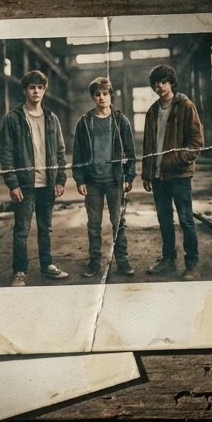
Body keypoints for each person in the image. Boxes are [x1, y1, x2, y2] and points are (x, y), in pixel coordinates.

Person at [0, 69, 69, 286]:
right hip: (25, 186)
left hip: (47, 183)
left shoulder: (51, 118)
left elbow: (59, 150)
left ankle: (47, 266)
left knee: (46, 228)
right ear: (25, 90)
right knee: (22, 230)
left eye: (39, 87)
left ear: (45, 90)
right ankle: (20, 271)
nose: (36, 91)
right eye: (31, 87)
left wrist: (60, 179)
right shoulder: (13, 119)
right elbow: (6, 153)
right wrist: (13, 184)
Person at [140, 64, 204, 280]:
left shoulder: (186, 106)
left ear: (171, 83)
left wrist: (177, 160)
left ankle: (192, 264)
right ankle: (168, 260)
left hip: (179, 176)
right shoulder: (152, 111)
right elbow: (148, 145)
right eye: (156, 82)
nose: (159, 85)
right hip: (158, 177)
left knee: (186, 220)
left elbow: (196, 142)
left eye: (163, 81)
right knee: (164, 220)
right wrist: (147, 173)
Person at [72, 76, 137, 278]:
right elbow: (78, 154)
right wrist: (80, 179)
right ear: (93, 97)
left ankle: (123, 261)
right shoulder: (84, 122)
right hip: (93, 182)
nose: (102, 97)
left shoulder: (121, 121)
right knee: (93, 224)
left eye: (105, 93)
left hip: (115, 181)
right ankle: (94, 263)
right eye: (98, 94)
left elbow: (130, 151)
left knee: (118, 223)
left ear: (111, 95)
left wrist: (129, 176)